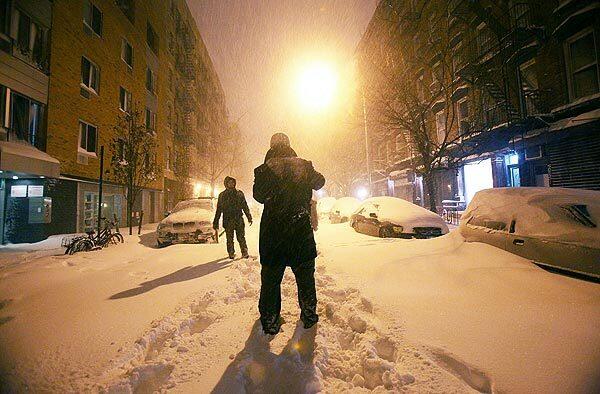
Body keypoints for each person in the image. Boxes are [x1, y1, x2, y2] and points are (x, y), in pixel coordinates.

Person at [253, 133, 325, 335]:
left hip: (273, 234)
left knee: (270, 281)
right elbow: (320, 182)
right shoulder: (303, 165)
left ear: (271, 147)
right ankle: (309, 316)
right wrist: (302, 172)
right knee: (305, 278)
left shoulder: (264, 169)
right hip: (299, 231)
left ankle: (270, 321)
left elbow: (258, 196)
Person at [213, 176, 253, 259]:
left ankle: (244, 252)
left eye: (233, 182)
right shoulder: (222, 195)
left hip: (238, 219)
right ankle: (231, 253)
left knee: (241, 237)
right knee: (229, 238)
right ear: (226, 184)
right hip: (228, 220)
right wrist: (216, 222)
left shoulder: (239, 193)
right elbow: (219, 210)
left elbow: (244, 206)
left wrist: (249, 216)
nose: (231, 184)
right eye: (229, 182)